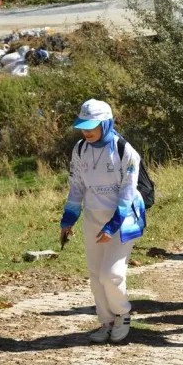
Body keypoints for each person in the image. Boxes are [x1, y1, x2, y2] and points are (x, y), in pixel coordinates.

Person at [60, 99, 146, 343]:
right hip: (92, 218)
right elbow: (76, 186)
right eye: (83, 126)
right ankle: (106, 321)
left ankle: (123, 314)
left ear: (106, 123)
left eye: (92, 125)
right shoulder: (79, 149)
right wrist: (68, 219)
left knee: (112, 274)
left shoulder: (124, 150)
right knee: (96, 275)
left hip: (122, 218)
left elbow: (128, 192)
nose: (86, 131)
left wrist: (112, 225)